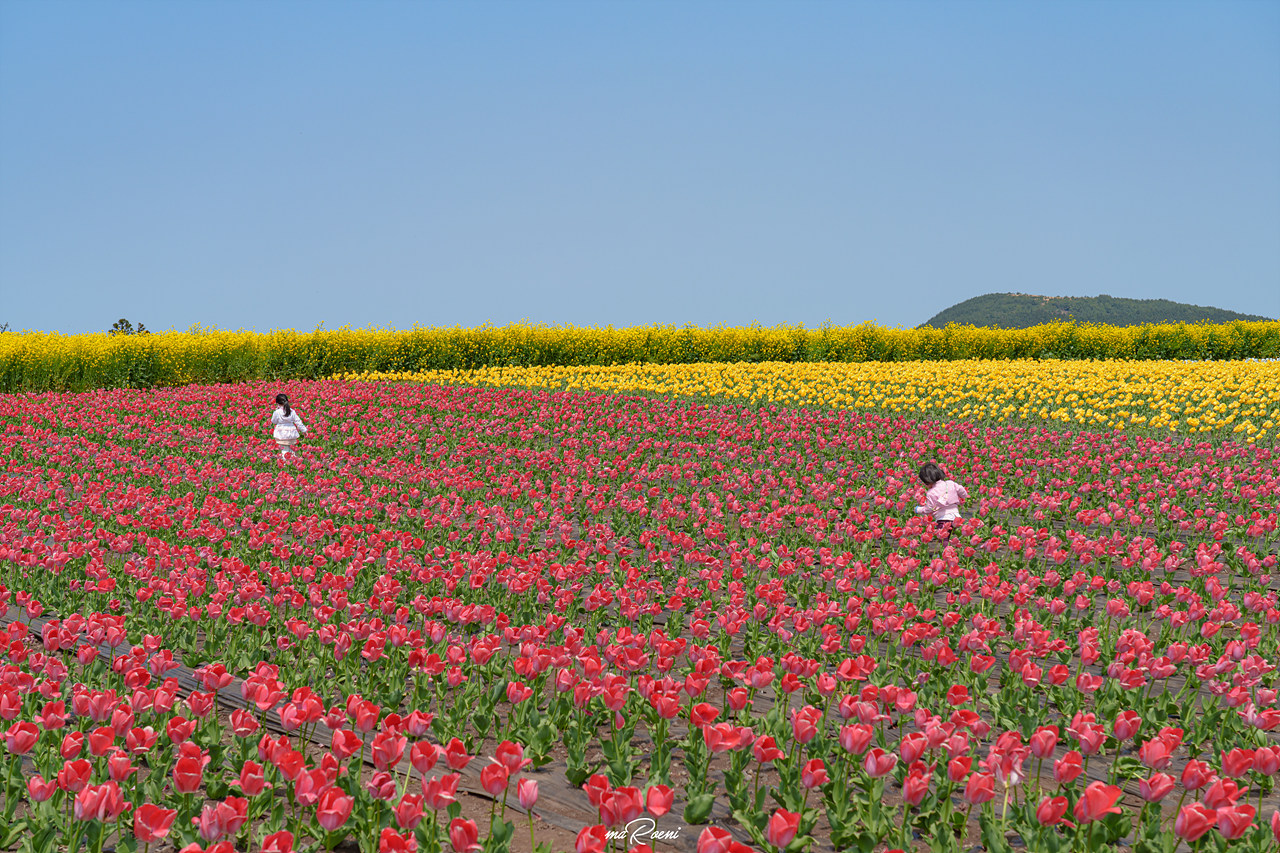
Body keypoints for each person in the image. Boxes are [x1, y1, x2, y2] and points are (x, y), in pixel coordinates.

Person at [914, 461, 968, 535]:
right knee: (950, 536)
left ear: (927, 481)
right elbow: (962, 490)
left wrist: (918, 510)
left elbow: (929, 508)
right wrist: (963, 495)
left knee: (943, 538)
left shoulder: (931, 492)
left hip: (943, 519)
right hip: (956, 517)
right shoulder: (950, 483)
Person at [271, 393, 307, 459]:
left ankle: (285, 462)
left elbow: (274, 421)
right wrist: (304, 430)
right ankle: (293, 461)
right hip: (291, 433)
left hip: (281, 433)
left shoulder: (277, 412)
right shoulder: (292, 411)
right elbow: (298, 422)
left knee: (284, 449)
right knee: (292, 449)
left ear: (277, 403)